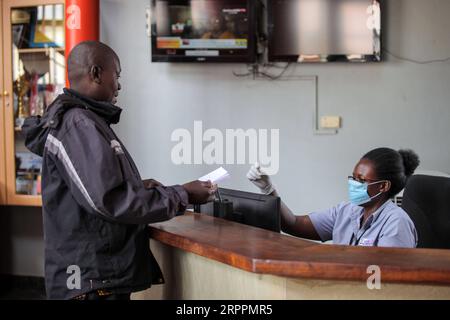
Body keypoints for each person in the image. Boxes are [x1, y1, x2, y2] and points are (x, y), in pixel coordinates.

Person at [22, 41, 216, 300]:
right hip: (91, 283)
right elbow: (110, 202)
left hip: (95, 278)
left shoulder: (85, 120)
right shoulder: (78, 123)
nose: (120, 85)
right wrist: (183, 194)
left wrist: (137, 186)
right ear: (96, 73)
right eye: (118, 75)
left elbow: (93, 189)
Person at [247, 148, 420, 248]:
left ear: (383, 186)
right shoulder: (346, 212)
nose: (353, 184)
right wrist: (268, 189)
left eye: (361, 180)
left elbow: (387, 278)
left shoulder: (396, 222)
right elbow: (293, 224)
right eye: (353, 177)